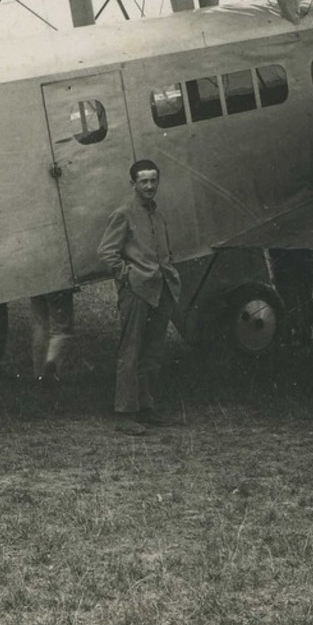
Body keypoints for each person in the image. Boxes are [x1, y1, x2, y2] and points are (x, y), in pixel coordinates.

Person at [97, 160, 182, 436]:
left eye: (153, 180)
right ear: (132, 183)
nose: (149, 186)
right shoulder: (124, 213)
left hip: (161, 290)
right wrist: (128, 277)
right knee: (130, 352)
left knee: (153, 351)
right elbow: (107, 252)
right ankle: (125, 413)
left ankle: (147, 408)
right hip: (137, 292)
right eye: (143, 181)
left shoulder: (157, 215)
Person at [270, 248, 313, 346]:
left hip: (291, 257)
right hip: (291, 257)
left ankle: (296, 335)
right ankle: (293, 334)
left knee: (296, 297)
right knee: (292, 298)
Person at [28, 289, 76, 383]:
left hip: (34, 280)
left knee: (40, 325)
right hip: (57, 283)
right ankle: (52, 363)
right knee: (61, 328)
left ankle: (39, 373)